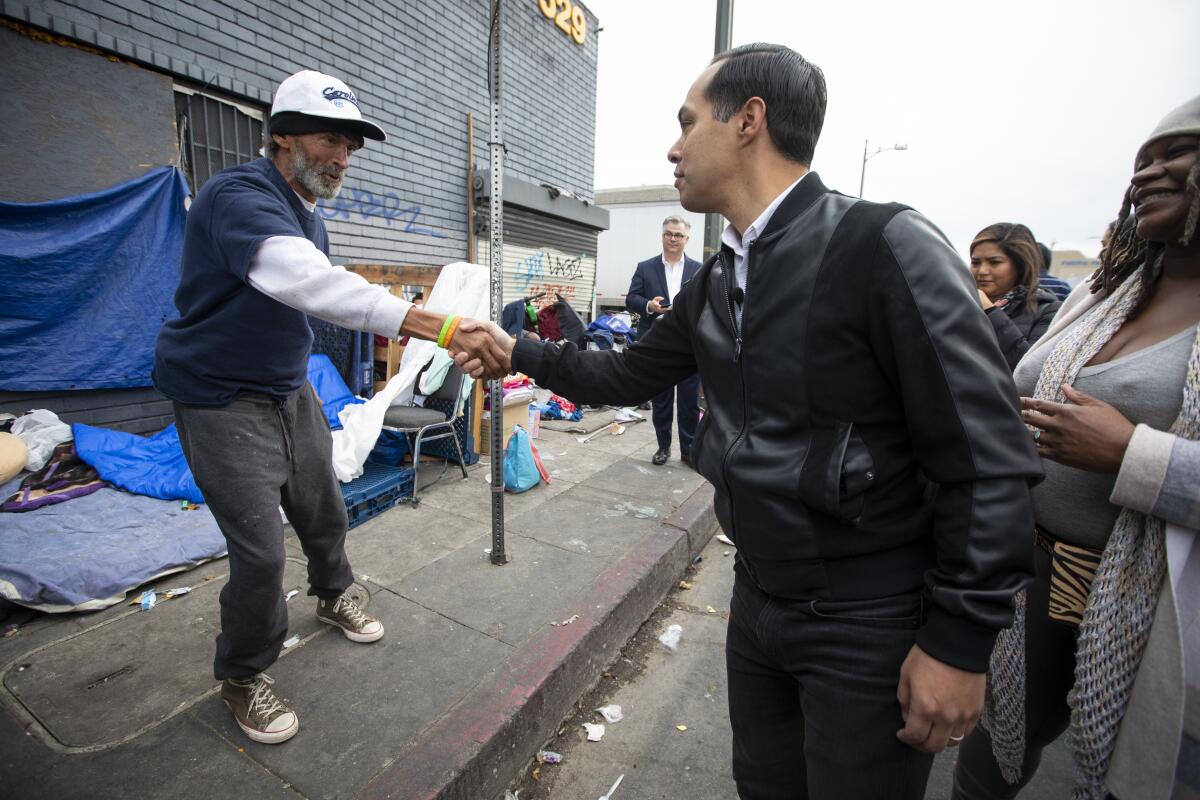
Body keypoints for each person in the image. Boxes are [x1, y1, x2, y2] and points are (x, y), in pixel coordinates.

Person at [456, 44, 1040, 799]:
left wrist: (959, 642)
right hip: (758, 602)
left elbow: (985, 455)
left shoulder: (882, 246)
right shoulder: (718, 279)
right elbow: (623, 373)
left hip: (868, 618)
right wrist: (518, 349)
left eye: (688, 121)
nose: (673, 146)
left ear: (749, 122)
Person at [153, 69, 506, 745]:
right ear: (282, 138)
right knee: (259, 552)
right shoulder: (239, 197)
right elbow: (309, 284)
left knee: (323, 506)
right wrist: (441, 326)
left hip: (287, 387)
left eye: (351, 145)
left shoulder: (305, 211)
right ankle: (243, 674)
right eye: (328, 140)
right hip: (220, 396)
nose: (342, 156)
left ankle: (332, 590)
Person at [954, 95, 1200, 800]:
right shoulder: (1109, 288)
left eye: (1176, 155)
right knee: (989, 759)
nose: (1149, 173)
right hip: (1025, 567)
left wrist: (1132, 456)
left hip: (1140, 600)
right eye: (1142, 161)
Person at [625, 216, 702, 465]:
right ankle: (663, 447)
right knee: (661, 400)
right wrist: (648, 305)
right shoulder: (645, 267)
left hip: (688, 346)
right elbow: (631, 298)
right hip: (656, 344)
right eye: (668, 233)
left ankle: (689, 450)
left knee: (690, 403)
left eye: (678, 235)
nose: (673, 238)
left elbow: (707, 302)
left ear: (686, 239)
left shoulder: (699, 269)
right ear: (662, 236)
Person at [970, 223, 1063, 370]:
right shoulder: (961, 304)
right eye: (975, 262)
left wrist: (990, 312)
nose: (982, 270)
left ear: (1020, 265)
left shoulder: (1049, 310)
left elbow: (1029, 370)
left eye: (994, 262)